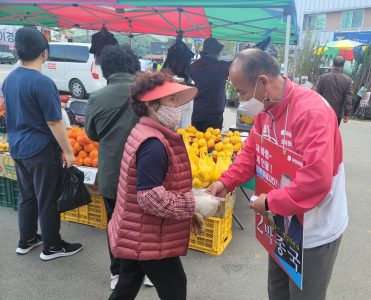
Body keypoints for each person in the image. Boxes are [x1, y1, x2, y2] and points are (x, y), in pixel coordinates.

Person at [207, 49, 348, 300]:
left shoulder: (311, 112)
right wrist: (225, 182)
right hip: (280, 223)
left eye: (241, 92)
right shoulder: (266, 109)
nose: (239, 100)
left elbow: (317, 179)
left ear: (263, 82)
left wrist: (270, 203)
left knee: (305, 295)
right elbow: (251, 152)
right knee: (278, 291)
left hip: (314, 229)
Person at [108, 72, 220, 300]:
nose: (177, 107)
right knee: (175, 287)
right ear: (151, 105)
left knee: (127, 285)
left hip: (136, 229)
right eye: (171, 101)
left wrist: (188, 213)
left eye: (177, 100)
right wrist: (194, 204)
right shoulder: (154, 144)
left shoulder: (146, 131)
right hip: (149, 234)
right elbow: (149, 197)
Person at [2, 27, 82, 260]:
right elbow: (55, 122)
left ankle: (26, 239)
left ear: (17, 51)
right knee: (46, 197)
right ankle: (52, 246)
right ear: (44, 53)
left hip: (18, 147)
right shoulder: (42, 82)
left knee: (27, 195)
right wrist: (68, 152)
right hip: (40, 150)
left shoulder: (10, 79)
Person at [84, 45, 143, 289]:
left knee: (115, 225)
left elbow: (92, 133)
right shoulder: (148, 95)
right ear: (134, 67)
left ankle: (117, 273)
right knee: (144, 225)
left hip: (112, 175)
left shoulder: (97, 97)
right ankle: (146, 271)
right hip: (145, 174)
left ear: (106, 69)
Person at [189, 37, 230, 132]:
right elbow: (239, 64)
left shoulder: (193, 66)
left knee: (196, 141)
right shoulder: (221, 67)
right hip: (214, 113)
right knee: (212, 143)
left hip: (198, 111)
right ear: (217, 52)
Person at [316, 55, 353, 126]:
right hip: (337, 113)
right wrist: (346, 114)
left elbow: (317, 95)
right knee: (333, 133)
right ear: (343, 65)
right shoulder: (347, 80)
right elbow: (348, 99)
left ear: (333, 64)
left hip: (323, 110)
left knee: (322, 133)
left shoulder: (323, 77)